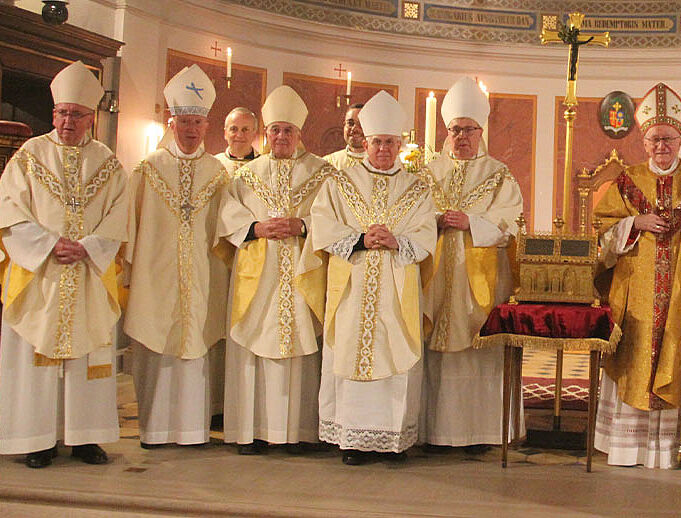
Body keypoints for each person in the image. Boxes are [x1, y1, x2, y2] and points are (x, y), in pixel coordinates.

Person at [0, 61, 127, 468]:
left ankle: (86, 438)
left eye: (77, 114)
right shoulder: (29, 156)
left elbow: (120, 217)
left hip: (87, 272)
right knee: (38, 355)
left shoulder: (108, 163)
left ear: (91, 118)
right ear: (53, 115)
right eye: (63, 113)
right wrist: (49, 245)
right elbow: (10, 211)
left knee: (88, 357)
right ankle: (36, 439)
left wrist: (88, 247)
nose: (69, 121)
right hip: (40, 275)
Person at [593, 82, 681, 469]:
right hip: (634, 295)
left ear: (680, 139)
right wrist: (634, 222)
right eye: (655, 139)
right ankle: (630, 445)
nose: (661, 146)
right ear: (644, 139)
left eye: (669, 139)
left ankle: (674, 446)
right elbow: (601, 235)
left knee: (678, 351)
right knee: (635, 352)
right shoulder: (625, 181)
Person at [308, 91, 436, 465]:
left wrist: (397, 240)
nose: (383, 148)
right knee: (349, 353)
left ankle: (394, 440)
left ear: (400, 145)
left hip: (398, 286)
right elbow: (323, 225)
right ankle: (352, 440)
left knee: (397, 359)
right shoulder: (339, 182)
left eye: (390, 142)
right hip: (353, 283)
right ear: (366, 142)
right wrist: (361, 239)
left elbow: (426, 234)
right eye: (377, 141)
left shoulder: (417, 187)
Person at [216, 85, 335, 454]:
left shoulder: (322, 172)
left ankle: (299, 432)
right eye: (275, 130)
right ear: (264, 134)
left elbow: (337, 219)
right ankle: (252, 432)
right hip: (259, 273)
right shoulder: (245, 174)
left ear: (300, 134)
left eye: (288, 130)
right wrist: (256, 228)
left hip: (302, 272)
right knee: (255, 343)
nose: (281, 136)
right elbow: (226, 216)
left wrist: (302, 226)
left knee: (301, 347)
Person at [124, 65, 230, 448]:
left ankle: (191, 430)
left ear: (206, 125)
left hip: (203, 274)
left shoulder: (219, 174)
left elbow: (229, 229)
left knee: (195, 348)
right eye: (184, 121)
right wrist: (131, 271)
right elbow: (129, 225)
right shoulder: (148, 169)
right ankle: (153, 430)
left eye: (198, 122)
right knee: (156, 347)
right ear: (171, 123)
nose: (191, 129)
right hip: (156, 275)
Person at [419, 77, 525, 452]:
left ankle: (480, 433)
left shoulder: (499, 174)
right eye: (454, 129)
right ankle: (434, 432)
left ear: (481, 131)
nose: (461, 136)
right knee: (437, 353)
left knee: (479, 352)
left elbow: (513, 222)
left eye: (468, 129)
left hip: (481, 275)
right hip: (437, 274)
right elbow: (410, 215)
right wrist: (435, 218)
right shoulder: (428, 172)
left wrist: (472, 223)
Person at [215, 107, 259, 173]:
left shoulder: (265, 165)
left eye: (245, 129)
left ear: (254, 134)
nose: (239, 135)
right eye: (233, 129)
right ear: (225, 133)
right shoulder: (214, 164)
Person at [323, 103, 367, 171]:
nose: (354, 129)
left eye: (361, 123)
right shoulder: (329, 163)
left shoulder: (381, 164)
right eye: (350, 123)